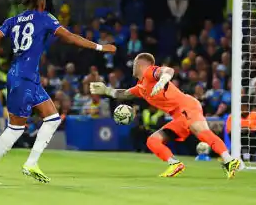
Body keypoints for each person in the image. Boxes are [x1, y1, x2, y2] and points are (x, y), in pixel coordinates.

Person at [0, 0, 116, 184]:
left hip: (18, 75)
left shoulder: (12, 21)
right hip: (26, 77)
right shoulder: (45, 17)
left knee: (52, 117)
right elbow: (71, 38)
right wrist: (100, 47)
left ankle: (28, 163)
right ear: (42, 3)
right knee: (16, 128)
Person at [90, 52, 241, 178]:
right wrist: (106, 91)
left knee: (200, 131)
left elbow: (168, 71)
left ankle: (229, 160)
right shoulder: (141, 86)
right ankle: (174, 164)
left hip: (187, 106)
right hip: (178, 116)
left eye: (135, 64)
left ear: (142, 65)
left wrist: (162, 81)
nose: (132, 67)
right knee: (152, 141)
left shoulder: (150, 72)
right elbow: (124, 94)